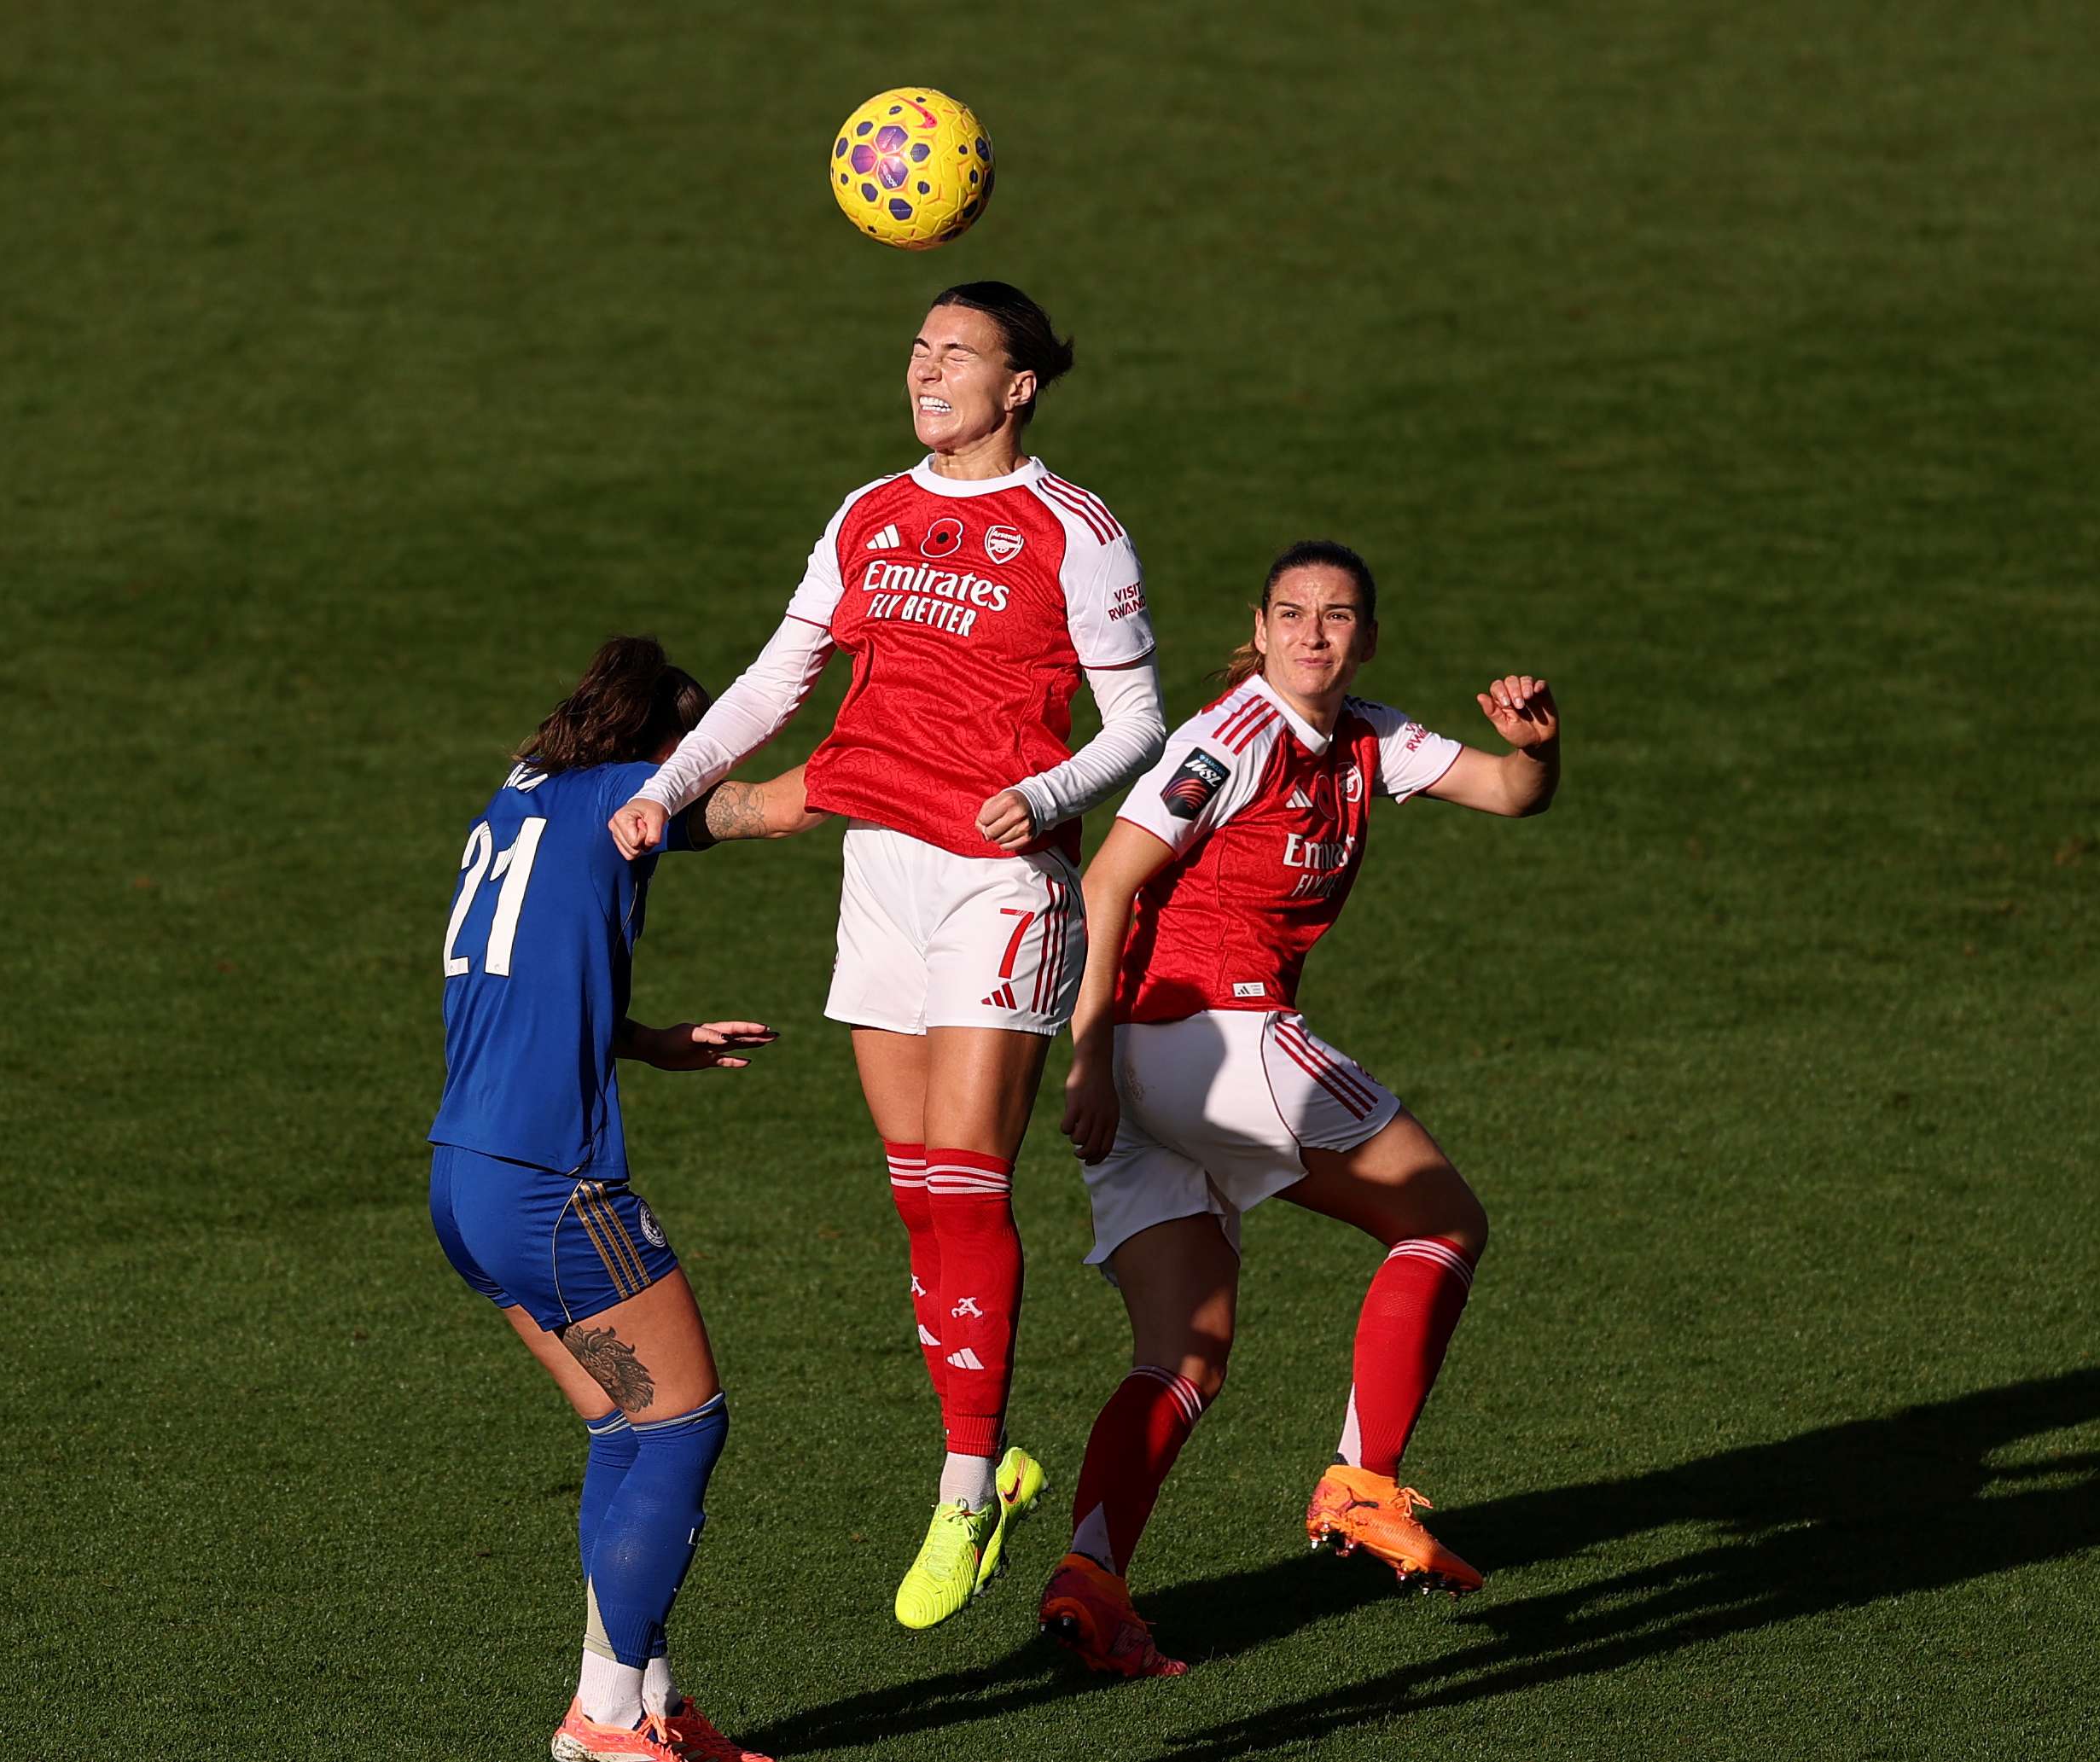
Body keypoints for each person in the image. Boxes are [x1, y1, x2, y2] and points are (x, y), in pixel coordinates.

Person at [607, 282, 1169, 1630]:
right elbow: (775, 678)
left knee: (969, 1178)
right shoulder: (868, 511)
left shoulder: (1075, 529)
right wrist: (667, 788)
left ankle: (965, 1485)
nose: (926, 370)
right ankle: (992, 1461)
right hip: (881, 875)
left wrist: (1047, 795)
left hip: (1001, 881)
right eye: (919, 348)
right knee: (917, 1193)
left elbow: (1141, 718)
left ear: (1019, 385)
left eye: (956, 353)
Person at [1031, 540, 1564, 1678]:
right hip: (1207, 1039)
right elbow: (1108, 880)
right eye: (1293, 613)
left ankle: (1091, 1580)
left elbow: (1511, 792)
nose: (1314, 634)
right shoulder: (1230, 739)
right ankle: (1363, 1481)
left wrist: (1536, 747)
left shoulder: (1370, 735)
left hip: (1153, 1072)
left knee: (1184, 1353)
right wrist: (1085, 1061)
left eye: (1337, 615)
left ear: (1366, 637)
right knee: (1442, 1221)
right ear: (1261, 627)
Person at [431, 635, 818, 1762]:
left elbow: (528, 984)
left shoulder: (520, 800)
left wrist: (647, 1041)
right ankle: (602, 1719)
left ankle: (646, 1701)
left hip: (465, 1180)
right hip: (553, 1185)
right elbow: (781, 806)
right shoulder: (623, 798)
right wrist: (919, 718)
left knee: (621, 1428)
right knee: (687, 1425)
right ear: (657, 745)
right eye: (687, 750)